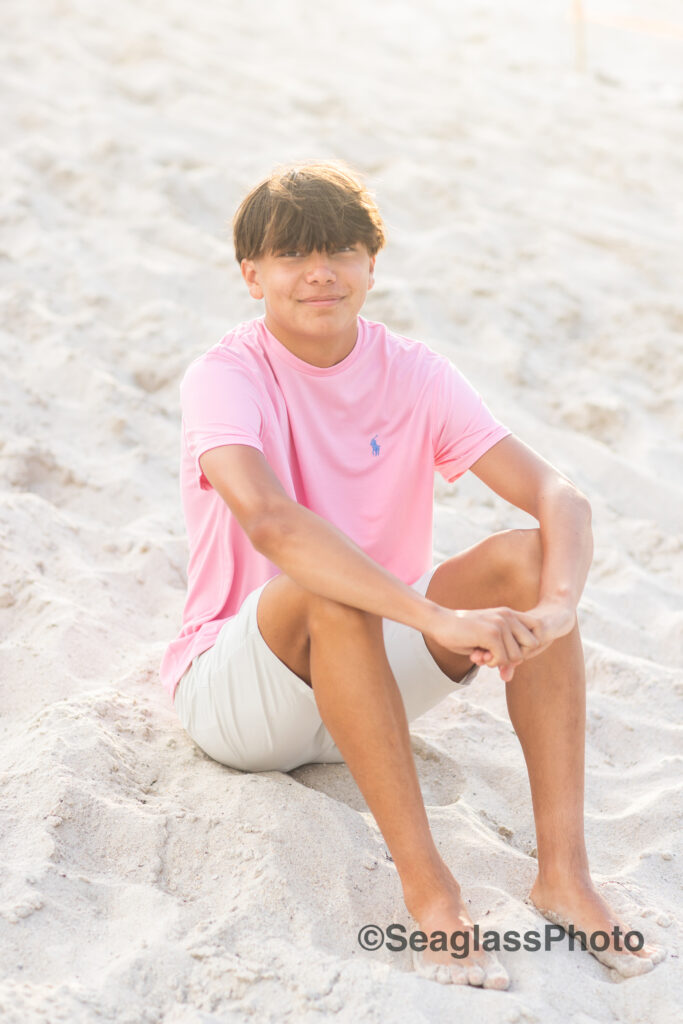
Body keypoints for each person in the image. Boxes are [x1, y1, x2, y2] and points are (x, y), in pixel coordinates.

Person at [161, 160, 664, 988]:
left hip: (367, 686)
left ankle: (563, 877)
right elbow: (272, 522)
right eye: (292, 256)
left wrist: (560, 609)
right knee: (331, 587)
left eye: (341, 251)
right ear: (251, 275)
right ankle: (432, 900)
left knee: (527, 558)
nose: (319, 273)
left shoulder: (414, 372)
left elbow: (556, 494)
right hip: (242, 695)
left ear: (371, 264)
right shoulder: (225, 375)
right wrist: (432, 619)